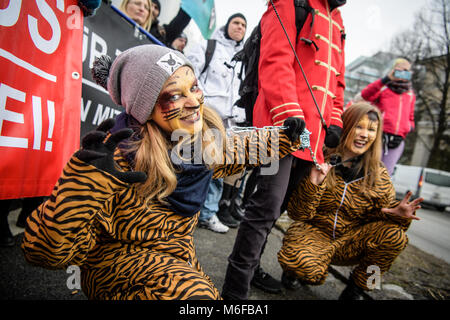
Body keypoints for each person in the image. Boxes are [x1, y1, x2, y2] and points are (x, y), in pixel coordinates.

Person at [21, 44, 305, 300]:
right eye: (174, 95)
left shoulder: (196, 143)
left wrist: (284, 136)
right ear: (145, 107)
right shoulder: (119, 158)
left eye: (193, 87)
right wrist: (84, 186)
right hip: (120, 272)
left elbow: (238, 147)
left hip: (180, 262)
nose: (193, 102)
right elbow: (46, 250)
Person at [222, 0, 347, 300]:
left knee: (277, 210)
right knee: (265, 207)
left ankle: (251, 272)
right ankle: (234, 293)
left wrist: (336, 119)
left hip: (314, 139)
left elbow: (338, 81)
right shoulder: (290, 2)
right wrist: (288, 111)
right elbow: (274, 59)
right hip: (281, 128)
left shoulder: (339, 19)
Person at [278, 102, 423, 300]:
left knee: (396, 237)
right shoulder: (320, 158)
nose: (365, 134)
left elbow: (385, 228)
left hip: (350, 243)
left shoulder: (379, 176)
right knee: (305, 268)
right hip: (314, 234)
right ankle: (297, 270)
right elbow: (298, 214)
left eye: (372, 130)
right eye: (359, 126)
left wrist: (400, 217)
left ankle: (359, 289)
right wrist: (313, 184)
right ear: (346, 126)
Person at [186, 13, 248, 232]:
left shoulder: (244, 57)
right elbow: (189, 74)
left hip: (228, 123)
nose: (239, 27)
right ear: (227, 25)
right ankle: (182, 212)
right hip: (203, 117)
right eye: (236, 23)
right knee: (191, 165)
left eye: (243, 25)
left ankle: (207, 214)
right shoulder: (209, 46)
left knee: (218, 170)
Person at [360, 58, 416, 176]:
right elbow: (365, 95)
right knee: (370, 168)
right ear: (393, 70)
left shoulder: (410, 94)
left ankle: (377, 194)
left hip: (398, 139)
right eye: (399, 70)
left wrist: (408, 127)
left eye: (406, 71)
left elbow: (411, 116)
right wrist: (385, 79)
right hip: (380, 135)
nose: (402, 73)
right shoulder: (384, 88)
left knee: (385, 173)